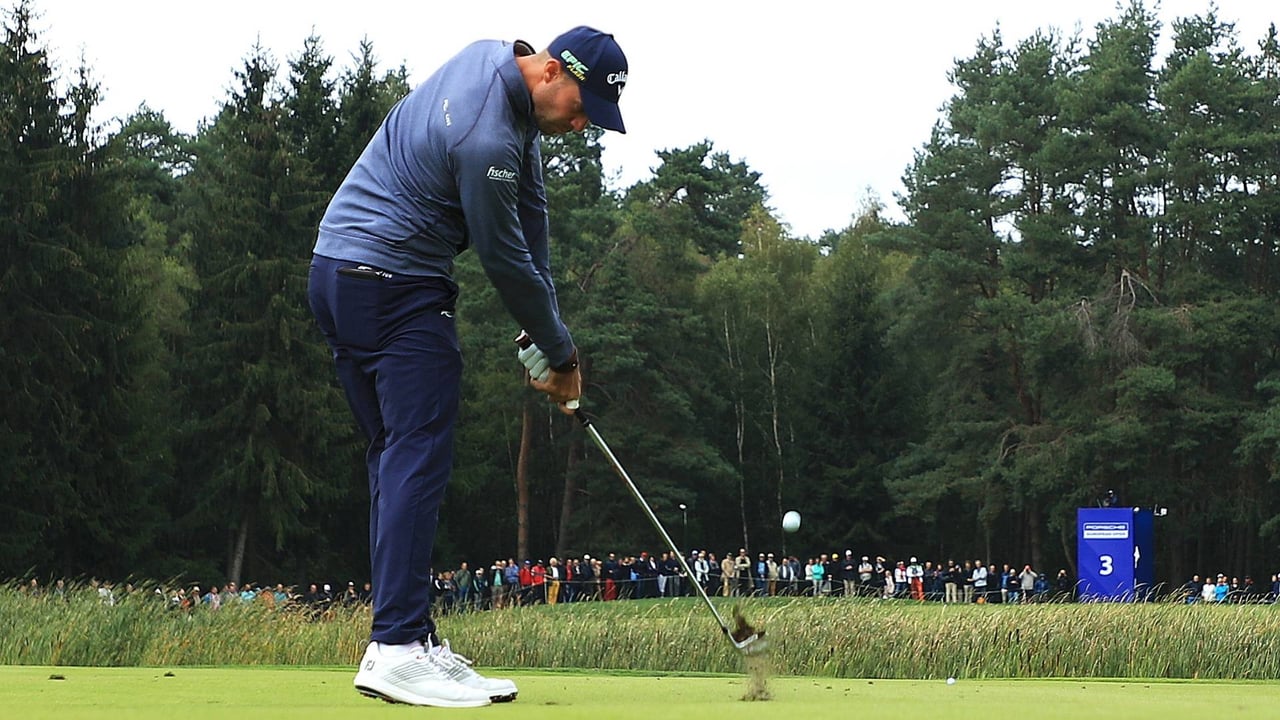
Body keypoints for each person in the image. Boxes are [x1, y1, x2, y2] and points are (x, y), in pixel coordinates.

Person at [308, 25, 628, 708]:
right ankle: (397, 647)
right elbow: (505, 259)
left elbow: (532, 219)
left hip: (337, 272)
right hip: (393, 287)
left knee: (395, 457)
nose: (582, 125)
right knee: (416, 454)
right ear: (551, 73)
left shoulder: (497, 61)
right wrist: (563, 356)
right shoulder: (486, 140)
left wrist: (547, 335)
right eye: (582, 108)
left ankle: (408, 638)